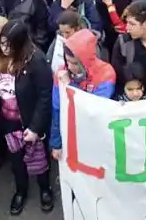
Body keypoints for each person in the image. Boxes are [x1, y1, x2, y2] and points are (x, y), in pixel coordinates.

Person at [0, 20, 55, 215]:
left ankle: (45, 188)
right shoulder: (0, 58)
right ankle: (21, 190)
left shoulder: (37, 61)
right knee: (17, 160)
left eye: (9, 44)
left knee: (39, 157)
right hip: (8, 121)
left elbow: (45, 97)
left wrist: (35, 128)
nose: (4, 48)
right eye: (2, 43)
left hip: (29, 121)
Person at [49, 28, 115, 157]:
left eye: (75, 63)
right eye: (67, 61)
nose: (70, 67)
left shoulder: (106, 74)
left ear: (86, 60)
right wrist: (56, 143)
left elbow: (94, 110)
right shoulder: (62, 73)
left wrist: (70, 87)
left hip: (96, 137)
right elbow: (57, 111)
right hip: (71, 135)